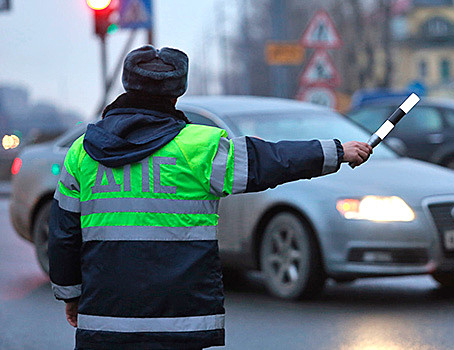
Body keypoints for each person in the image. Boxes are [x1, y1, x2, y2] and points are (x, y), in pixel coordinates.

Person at [48, 45, 372, 350]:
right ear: (178, 90)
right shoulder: (200, 147)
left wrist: (71, 295)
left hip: (105, 320)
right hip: (180, 321)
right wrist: (336, 151)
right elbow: (269, 160)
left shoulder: (82, 153)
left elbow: (63, 236)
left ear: (127, 84)